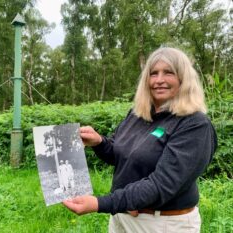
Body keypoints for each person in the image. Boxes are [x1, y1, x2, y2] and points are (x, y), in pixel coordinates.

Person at [62, 47, 217, 233]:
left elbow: (161, 185)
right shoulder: (137, 115)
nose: (159, 80)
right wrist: (99, 142)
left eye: (168, 72)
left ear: (184, 79)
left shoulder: (194, 125)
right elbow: (121, 155)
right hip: (122, 216)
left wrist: (100, 203)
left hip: (163, 224)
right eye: (153, 73)